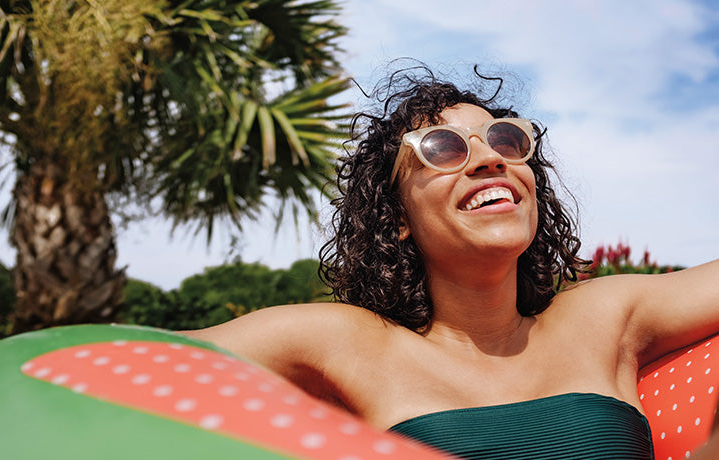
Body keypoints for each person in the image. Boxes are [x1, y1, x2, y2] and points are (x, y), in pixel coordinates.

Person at [181, 65, 719, 459]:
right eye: (441, 148)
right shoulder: (346, 342)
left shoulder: (606, 316)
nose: (490, 159)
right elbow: (133, 362)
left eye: (506, 141)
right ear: (396, 217)